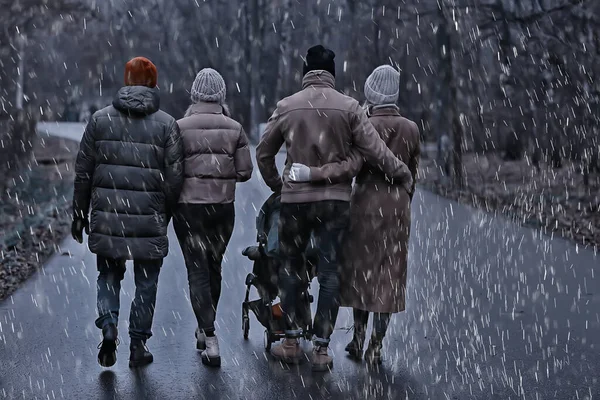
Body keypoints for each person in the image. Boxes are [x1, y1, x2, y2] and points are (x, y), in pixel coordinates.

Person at [256, 45, 413, 372]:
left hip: (296, 203)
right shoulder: (350, 107)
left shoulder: (287, 106)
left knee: (291, 268)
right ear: (332, 74)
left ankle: (291, 341)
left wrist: (278, 186)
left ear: (305, 73)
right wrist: (401, 171)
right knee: (329, 273)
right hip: (335, 202)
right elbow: (375, 150)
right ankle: (323, 349)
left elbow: (263, 153)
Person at [290, 65, 420, 365]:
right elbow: (413, 172)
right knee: (389, 275)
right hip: (397, 206)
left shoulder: (363, 123)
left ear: (372, 91)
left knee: (364, 272)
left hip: (364, 203)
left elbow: (352, 166)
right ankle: (376, 344)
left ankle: (358, 337)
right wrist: (403, 198)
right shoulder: (411, 128)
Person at [71, 57, 184, 368]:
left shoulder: (99, 120)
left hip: (108, 218)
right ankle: (137, 344)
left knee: (108, 274)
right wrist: (165, 212)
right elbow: (175, 179)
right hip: (149, 217)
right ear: (153, 83)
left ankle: (108, 325)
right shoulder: (167, 125)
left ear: (126, 80)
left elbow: (83, 172)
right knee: (147, 282)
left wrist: (79, 213)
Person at [173, 68, 253, 367]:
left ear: (194, 95)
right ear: (221, 96)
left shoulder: (178, 127)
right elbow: (245, 172)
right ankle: (206, 329)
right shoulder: (234, 128)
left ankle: (209, 335)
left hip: (188, 209)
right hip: (222, 209)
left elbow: (171, 170)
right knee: (214, 267)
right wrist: (221, 173)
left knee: (197, 271)